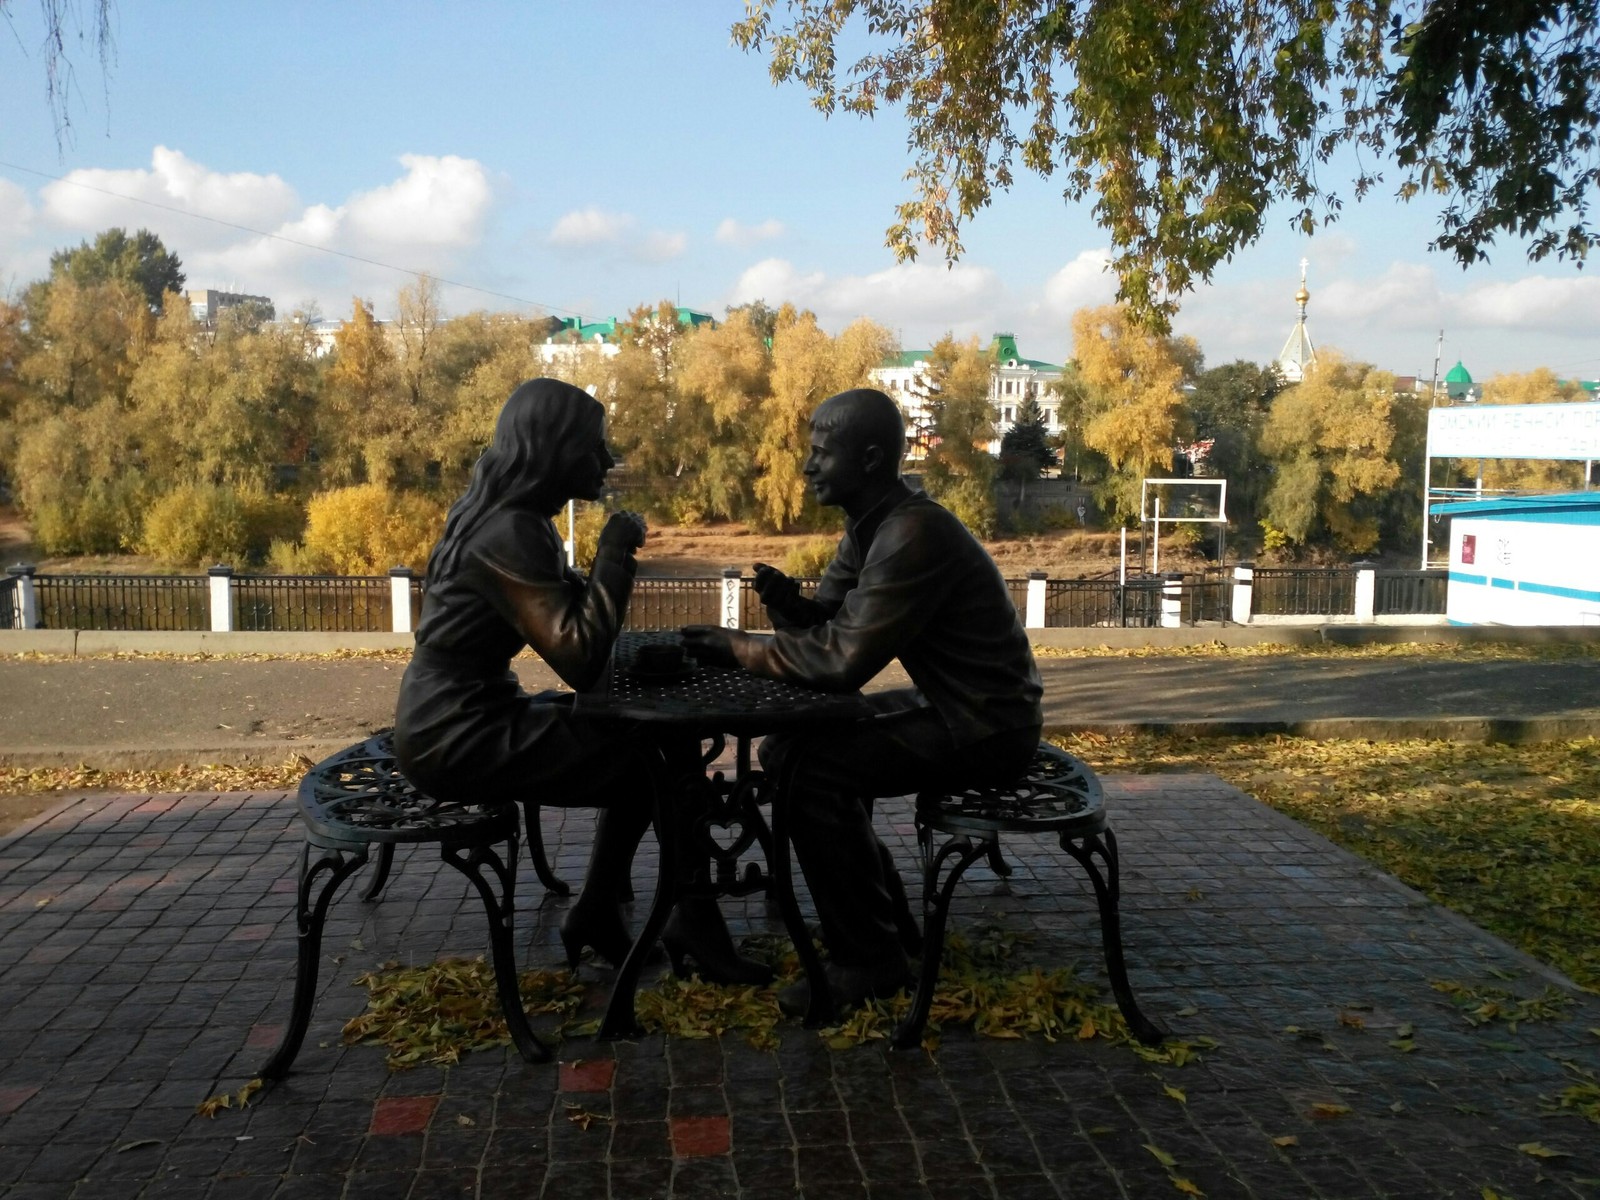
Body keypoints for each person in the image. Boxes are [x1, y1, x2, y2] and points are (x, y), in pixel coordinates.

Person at [682, 387, 1043, 1011]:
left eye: (822, 453)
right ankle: (883, 919)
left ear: (871, 459)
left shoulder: (912, 534)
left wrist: (736, 646)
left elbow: (842, 662)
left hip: (988, 727)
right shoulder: (870, 526)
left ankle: (869, 958)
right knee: (789, 748)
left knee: (811, 769)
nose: (807, 465)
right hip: (957, 708)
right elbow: (827, 625)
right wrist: (789, 606)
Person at [394, 377, 754, 979]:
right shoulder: (508, 531)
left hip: (459, 714)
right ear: (551, 450)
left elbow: (573, 622)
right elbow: (582, 660)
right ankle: (683, 918)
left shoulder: (512, 520)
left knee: (649, 748)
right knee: (654, 761)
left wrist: (598, 582)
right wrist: (614, 554)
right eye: (595, 446)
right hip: (457, 734)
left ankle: (610, 912)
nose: (608, 460)